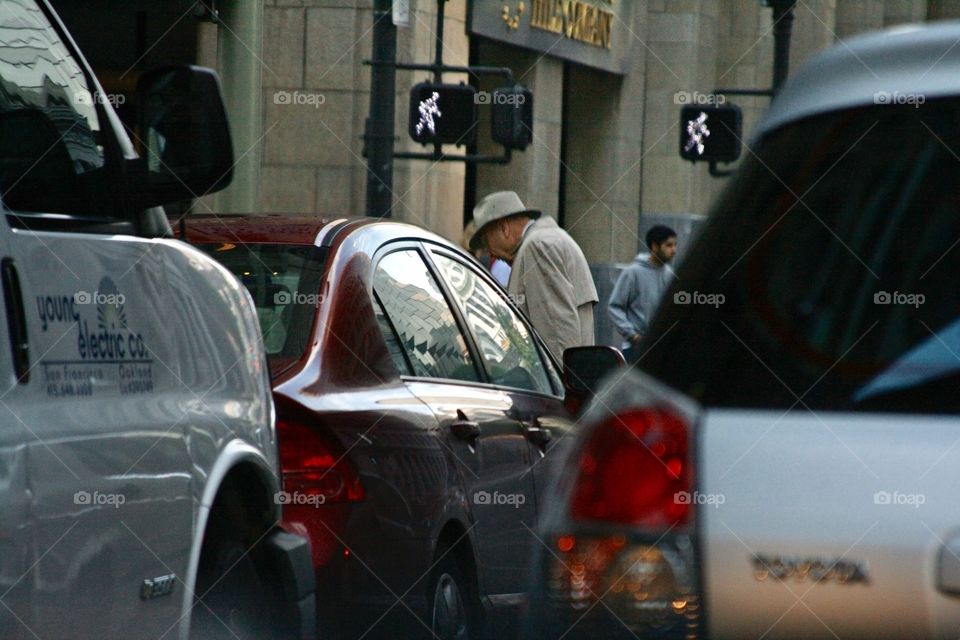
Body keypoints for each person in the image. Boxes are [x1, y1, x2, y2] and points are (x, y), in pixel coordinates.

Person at [469, 190, 598, 361]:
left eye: (486, 244)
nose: (491, 255)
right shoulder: (549, 238)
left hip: (557, 383)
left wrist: (559, 384)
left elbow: (557, 335)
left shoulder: (536, 246)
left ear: (503, 228)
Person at [608, 224, 677, 363]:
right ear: (654, 246)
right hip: (636, 349)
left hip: (663, 349)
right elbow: (614, 306)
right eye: (668, 245)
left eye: (675, 245)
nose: (674, 250)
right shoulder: (632, 272)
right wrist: (632, 335)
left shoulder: (670, 274)